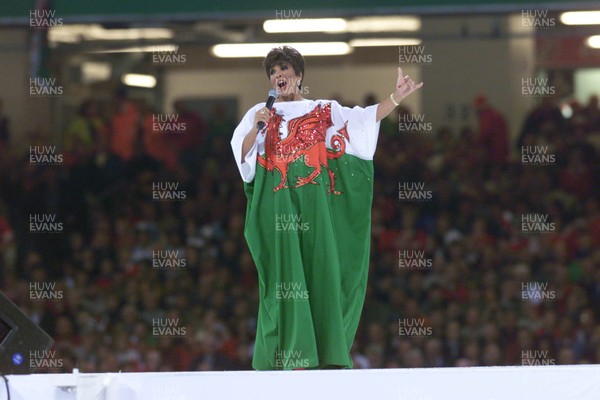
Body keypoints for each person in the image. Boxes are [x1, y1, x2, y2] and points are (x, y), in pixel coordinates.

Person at [231, 46, 422, 370]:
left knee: (322, 273)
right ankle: (287, 355)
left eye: (284, 70)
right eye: (274, 72)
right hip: (280, 208)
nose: (279, 77)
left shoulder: (323, 109)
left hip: (316, 207)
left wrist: (396, 98)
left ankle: (324, 354)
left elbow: (361, 122)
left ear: (299, 75)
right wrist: (256, 128)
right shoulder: (259, 114)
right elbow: (244, 160)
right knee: (283, 280)